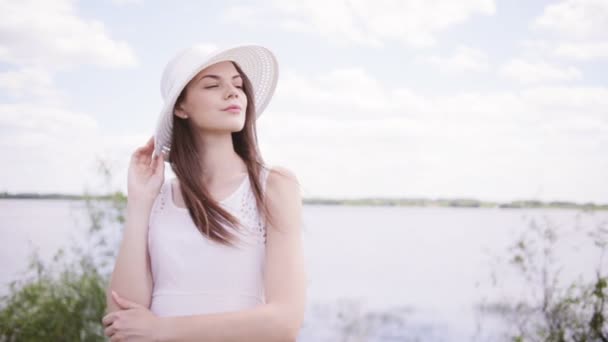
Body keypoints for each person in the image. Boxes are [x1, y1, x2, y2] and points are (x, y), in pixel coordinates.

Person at [101, 44, 307, 341]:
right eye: (212, 84)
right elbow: (119, 319)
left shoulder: (273, 185)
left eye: (238, 85)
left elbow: (284, 322)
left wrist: (161, 330)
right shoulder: (157, 198)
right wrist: (139, 203)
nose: (232, 92)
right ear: (181, 107)